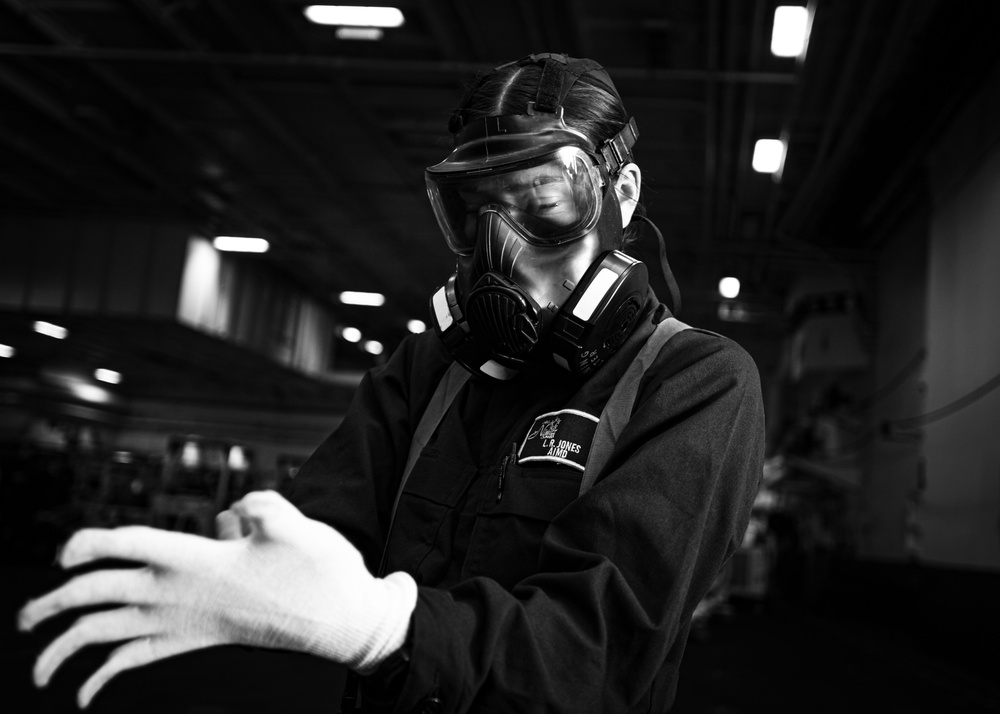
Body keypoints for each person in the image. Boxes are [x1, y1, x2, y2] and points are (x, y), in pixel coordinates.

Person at [18, 53, 764, 713]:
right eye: (480, 219)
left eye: (544, 208)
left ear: (622, 195)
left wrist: (386, 628)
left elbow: (593, 657)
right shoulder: (431, 369)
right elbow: (312, 543)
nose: (506, 253)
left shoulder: (694, 382)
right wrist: (240, 571)